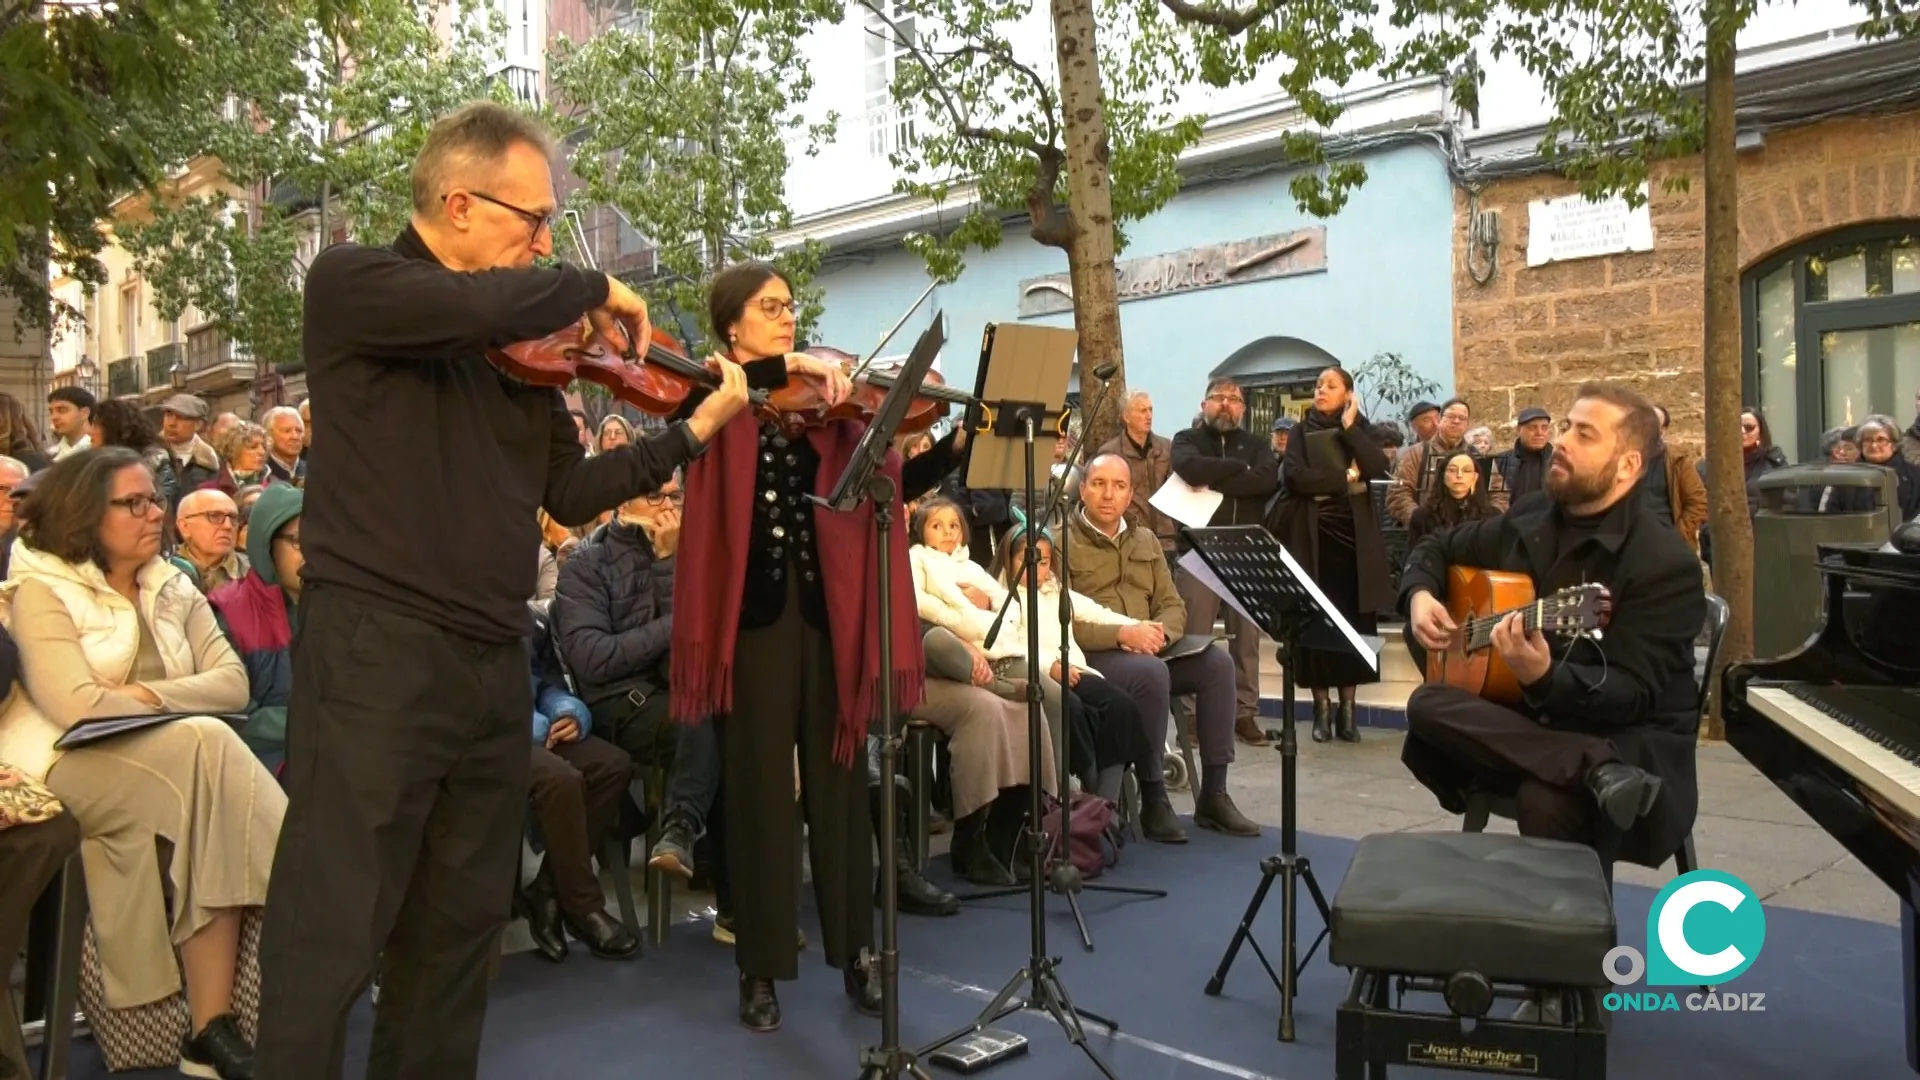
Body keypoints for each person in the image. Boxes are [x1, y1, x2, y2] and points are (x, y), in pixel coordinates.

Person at [252, 101, 754, 1080]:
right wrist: (590, 283)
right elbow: (481, 307)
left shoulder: (526, 363)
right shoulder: (356, 285)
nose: (539, 243)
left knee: (455, 935)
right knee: (330, 930)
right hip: (376, 654)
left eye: (548, 228)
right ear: (456, 201)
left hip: (490, 662)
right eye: (530, 220)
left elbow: (567, 489)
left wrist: (693, 430)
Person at [668, 260, 963, 1031]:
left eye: (791, 308)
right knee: (760, 797)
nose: (787, 318)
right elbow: (701, 411)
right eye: (771, 309)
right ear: (733, 325)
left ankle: (857, 954)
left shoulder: (834, 413)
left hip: (830, 623)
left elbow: (892, 479)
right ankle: (759, 967)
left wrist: (956, 445)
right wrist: (785, 367)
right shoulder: (714, 392)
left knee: (841, 792)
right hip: (754, 626)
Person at [0, 448, 277, 1079]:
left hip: (181, 758)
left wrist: (146, 697)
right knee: (208, 746)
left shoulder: (172, 582)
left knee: (209, 780)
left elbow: (234, 683)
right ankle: (303, 887)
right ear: (84, 514)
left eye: (154, 499)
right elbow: (74, 709)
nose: (156, 513)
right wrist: (175, 704)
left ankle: (209, 1028)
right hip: (63, 760)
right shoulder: (41, 586)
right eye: (136, 502)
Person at [1400, 382, 1707, 866]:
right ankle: (1590, 767)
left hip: (1630, 745)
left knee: (1545, 801)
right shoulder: (1532, 514)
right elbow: (1438, 546)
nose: (1561, 441)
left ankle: (1573, 938)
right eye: (1566, 427)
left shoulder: (1663, 562)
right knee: (1426, 704)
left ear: (1628, 465)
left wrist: (1544, 676)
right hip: (1542, 727)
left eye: (1583, 434)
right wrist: (1420, 593)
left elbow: (1632, 695)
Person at [1269, 367, 1393, 742]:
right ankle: (1322, 711)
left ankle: (1348, 712)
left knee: (1353, 624)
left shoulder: (1359, 427)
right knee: (1316, 624)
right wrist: (1345, 479)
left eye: (1331, 385)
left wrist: (1352, 428)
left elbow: (1377, 467)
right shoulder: (1300, 433)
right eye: (1318, 385)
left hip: (1354, 540)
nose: (1321, 390)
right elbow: (1295, 479)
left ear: (1348, 394)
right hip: (1314, 537)